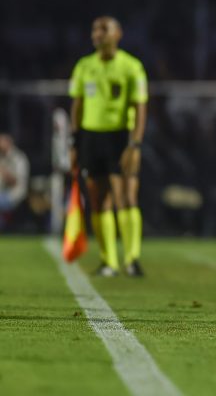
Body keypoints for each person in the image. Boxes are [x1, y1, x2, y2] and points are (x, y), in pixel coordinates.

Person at [69, 16, 148, 277]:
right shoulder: (84, 66)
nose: (97, 34)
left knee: (126, 196)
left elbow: (140, 107)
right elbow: (77, 106)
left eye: (104, 29)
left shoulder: (131, 66)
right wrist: (75, 141)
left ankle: (132, 258)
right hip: (91, 138)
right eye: (94, 29)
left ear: (118, 33)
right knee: (97, 199)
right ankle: (109, 261)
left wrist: (135, 144)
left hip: (120, 137)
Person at [0, 133, 30, 228]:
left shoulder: (19, 158)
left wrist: (4, 172)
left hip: (15, 193)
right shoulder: (2, 157)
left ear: (8, 143)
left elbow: (18, 182)